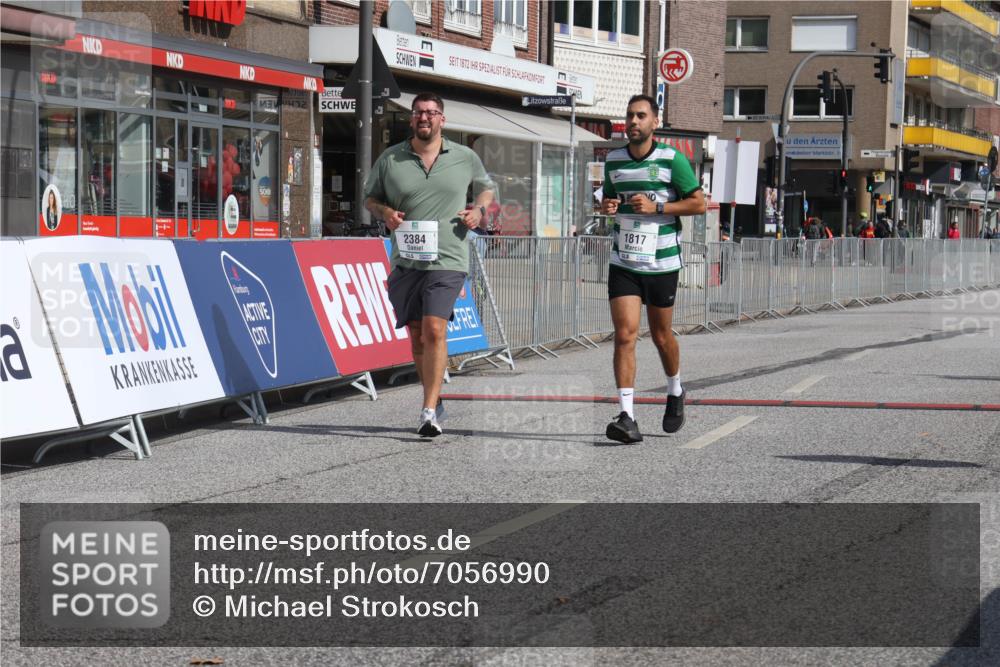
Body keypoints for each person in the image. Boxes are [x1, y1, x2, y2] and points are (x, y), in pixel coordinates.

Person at [364, 92, 495, 437]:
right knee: (418, 334)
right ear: (411, 119)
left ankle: (428, 411)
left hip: (449, 257)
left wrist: (478, 211)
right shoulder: (391, 159)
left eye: (432, 113)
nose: (425, 118)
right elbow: (370, 198)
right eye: (419, 113)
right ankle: (434, 397)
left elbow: (486, 189)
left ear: (442, 119)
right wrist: (386, 213)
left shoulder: (464, 157)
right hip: (406, 260)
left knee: (435, 328)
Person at [599, 94, 707, 443]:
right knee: (625, 335)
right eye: (630, 115)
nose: (633, 121)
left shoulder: (672, 160)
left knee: (661, 336)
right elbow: (609, 198)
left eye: (641, 116)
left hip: (661, 261)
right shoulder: (614, 159)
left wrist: (658, 207)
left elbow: (698, 204)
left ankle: (675, 389)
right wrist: (609, 205)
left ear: (654, 122)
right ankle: (627, 416)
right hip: (624, 260)